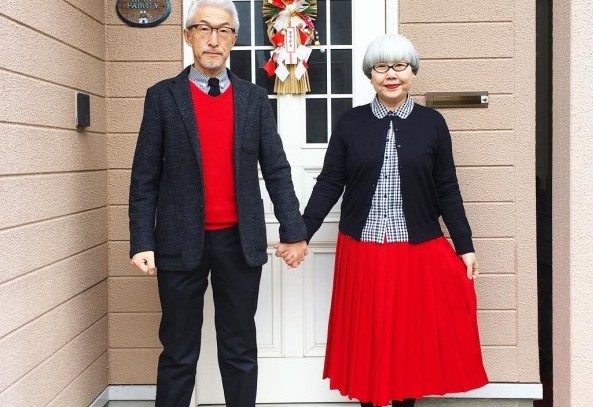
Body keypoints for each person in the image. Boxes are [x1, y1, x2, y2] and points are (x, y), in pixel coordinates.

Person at [276, 33, 489, 406]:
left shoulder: (432, 124)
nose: (391, 74)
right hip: (363, 250)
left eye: (400, 66)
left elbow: (447, 189)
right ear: (370, 74)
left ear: (413, 72)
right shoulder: (350, 123)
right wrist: (301, 233)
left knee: (409, 341)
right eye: (381, 67)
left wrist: (465, 245)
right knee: (368, 339)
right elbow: (330, 183)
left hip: (415, 250)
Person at [128, 0, 308, 406]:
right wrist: (142, 240)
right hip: (178, 242)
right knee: (178, 352)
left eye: (223, 30)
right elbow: (144, 176)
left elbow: (277, 169)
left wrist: (294, 231)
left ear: (234, 39)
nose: (213, 39)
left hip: (239, 243)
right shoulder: (162, 97)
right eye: (204, 29)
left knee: (239, 349)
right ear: (187, 35)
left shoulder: (254, 99)